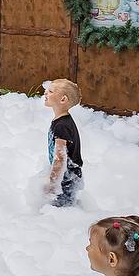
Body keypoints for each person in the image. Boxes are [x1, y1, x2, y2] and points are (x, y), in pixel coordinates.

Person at [44, 78, 84, 207]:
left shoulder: (62, 126)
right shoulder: (61, 121)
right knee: (66, 206)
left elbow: (60, 158)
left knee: (62, 208)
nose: (45, 93)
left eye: (50, 91)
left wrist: (53, 183)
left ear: (63, 99)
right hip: (69, 175)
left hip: (68, 178)